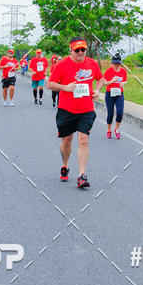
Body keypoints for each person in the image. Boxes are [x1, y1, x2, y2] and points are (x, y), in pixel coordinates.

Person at [47, 38, 103, 188]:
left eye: (83, 50)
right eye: (77, 50)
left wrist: (97, 90)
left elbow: (100, 79)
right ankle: (65, 165)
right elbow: (50, 84)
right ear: (71, 50)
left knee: (83, 140)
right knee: (67, 140)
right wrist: (65, 87)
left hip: (86, 109)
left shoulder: (92, 64)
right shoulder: (62, 64)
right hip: (67, 109)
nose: (80, 53)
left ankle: (81, 175)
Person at [103, 53, 127, 139]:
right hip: (110, 94)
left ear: (120, 63)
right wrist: (112, 81)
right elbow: (104, 83)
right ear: (112, 63)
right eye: (115, 63)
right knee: (110, 114)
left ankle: (117, 129)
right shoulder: (108, 71)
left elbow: (125, 80)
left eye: (118, 63)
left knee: (120, 112)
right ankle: (109, 130)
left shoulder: (123, 71)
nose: (116, 65)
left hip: (119, 94)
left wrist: (123, 83)